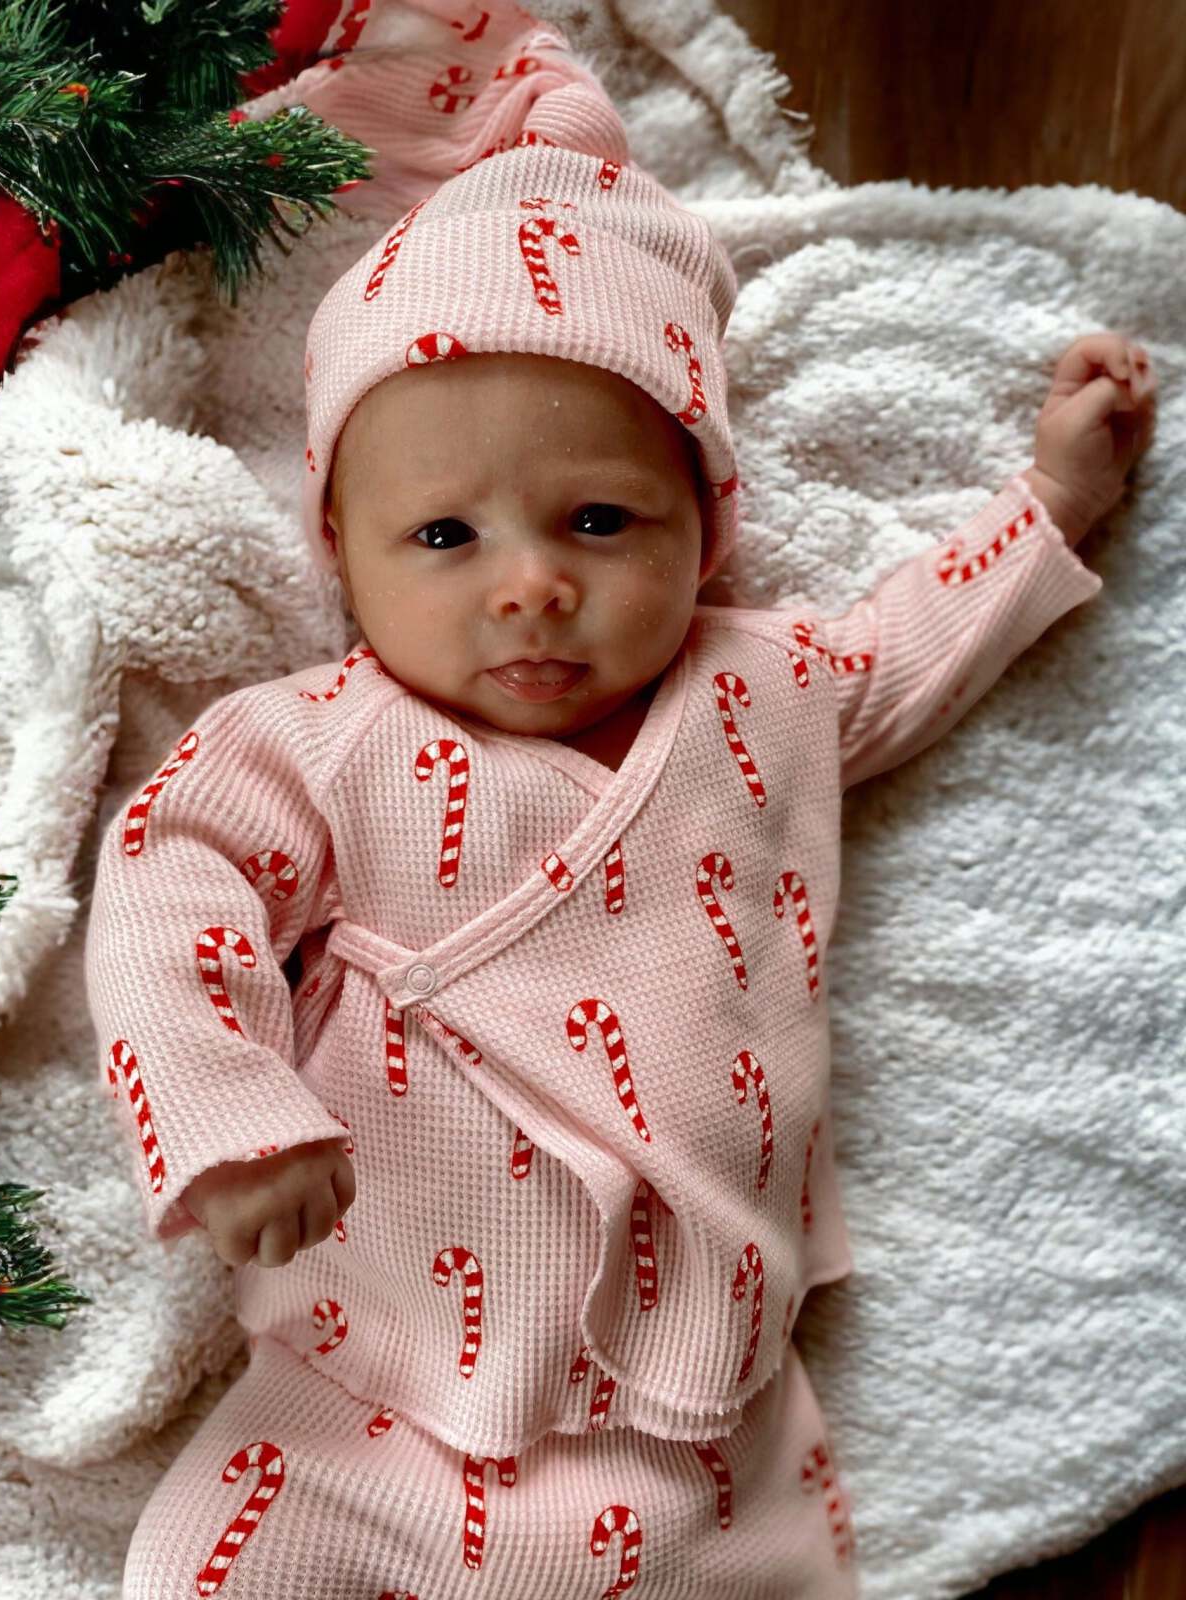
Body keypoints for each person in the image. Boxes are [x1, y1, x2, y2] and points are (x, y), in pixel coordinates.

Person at [83, 34, 1157, 1600]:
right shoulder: (314, 742)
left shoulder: (770, 688)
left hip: (692, 1431)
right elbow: (166, 886)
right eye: (444, 534)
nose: (531, 580)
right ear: (342, 558)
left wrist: (1050, 508)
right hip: (359, 1390)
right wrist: (226, 1112)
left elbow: (920, 649)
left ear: (706, 522)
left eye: (600, 517)